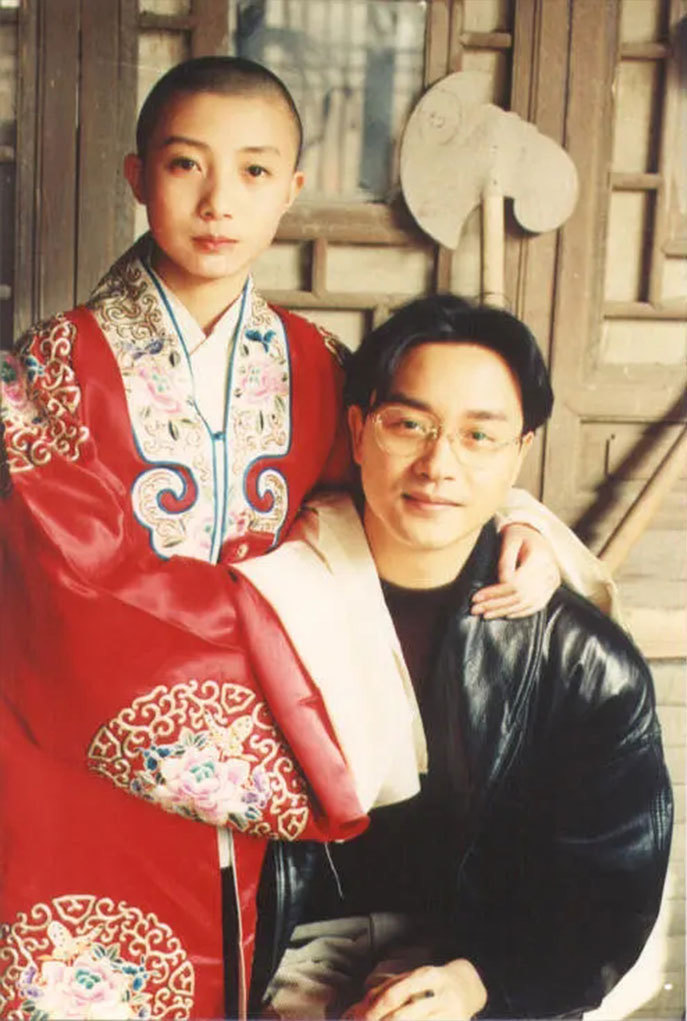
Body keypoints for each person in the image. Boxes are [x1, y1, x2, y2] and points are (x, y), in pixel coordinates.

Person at [0, 57, 608, 1019]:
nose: (217, 202)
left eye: (252, 171)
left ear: (290, 187)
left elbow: (397, 498)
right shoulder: (51, 366)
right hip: (76, 772)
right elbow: (68, 595)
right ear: (137, 177)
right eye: (186, 165)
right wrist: (287, 664)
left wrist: (510, 526)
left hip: (261, 817)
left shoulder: (318, 365)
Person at [225, 295, 673, 1020]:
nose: (438, 465)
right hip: (284, 947)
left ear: (519, 452)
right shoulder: (263, 598)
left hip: (484, 958)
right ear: (358, 430)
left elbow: (606, 891)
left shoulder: (584, 663)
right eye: (409, 425)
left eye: (478, 436)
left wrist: (476, 982)